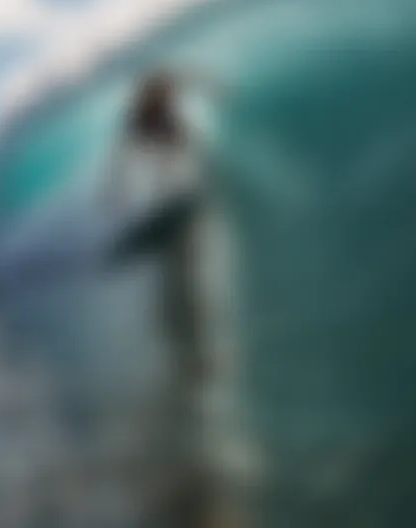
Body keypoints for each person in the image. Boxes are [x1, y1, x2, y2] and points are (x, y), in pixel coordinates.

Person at [106, 69, 241, 528]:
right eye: (150, 97)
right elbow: (121, 156)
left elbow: (188, 79)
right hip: (162, 174)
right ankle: (183, 338)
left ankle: (183, 203)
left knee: (184, 163)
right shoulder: (134, 119)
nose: (155, 98)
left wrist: (215, 88)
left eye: (156, 95)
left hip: (178, 168)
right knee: (175, 281)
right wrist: (116, 189)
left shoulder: (165, 93)